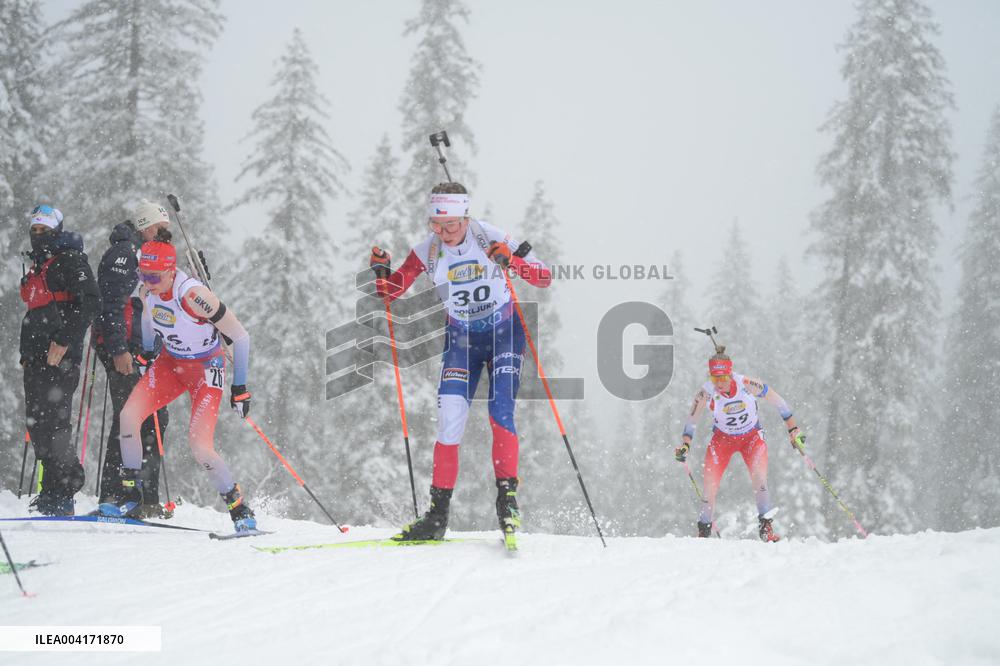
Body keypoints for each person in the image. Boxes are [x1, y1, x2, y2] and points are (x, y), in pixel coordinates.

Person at [369, 182, 552, 543]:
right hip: (462, 342)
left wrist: (510, 260)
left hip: (504, 334)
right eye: (436, 225)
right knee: (449, 422)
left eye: (451, 225)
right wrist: (380, 271)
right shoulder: (427, 251)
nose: (443, 233)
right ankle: (437, 517)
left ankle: (507, 503)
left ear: (466, 217)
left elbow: (543, 277)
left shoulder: (491, 237)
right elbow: (391, 292)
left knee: (501, 412)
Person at [97, 240, 256, 533]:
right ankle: (131, 496)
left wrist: (240, 387)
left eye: (154, 277)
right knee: (128, 417)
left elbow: (240, 337)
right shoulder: (148, 289)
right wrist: (146, 350)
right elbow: (148, 315)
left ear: (172, 271)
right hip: (171, 364)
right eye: (143, 275)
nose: (147, 282)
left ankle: (239, 508)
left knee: (200, 446)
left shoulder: (194, 295)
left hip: (207, 371)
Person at [674, 346, 803, 542]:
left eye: (724, 378)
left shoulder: (747, 383)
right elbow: (691, 421)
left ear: (730, 374)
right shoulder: (705, 392)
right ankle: (703, 532)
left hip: (751, 438)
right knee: (710, 485)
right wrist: (685, 445)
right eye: (715, 378)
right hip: (722, 440)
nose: (720, 383)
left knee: (759, 478)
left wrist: (793, 429)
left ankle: (766, 529)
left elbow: (779, 402)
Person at [20, 205, 100, 515]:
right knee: (38, 424)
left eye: (45, 230)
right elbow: (35, 311)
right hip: (35, 357)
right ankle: (51, 489)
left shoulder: (69, 260)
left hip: (60, 356)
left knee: (54, 424)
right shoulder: (38, 265)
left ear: (57, 231)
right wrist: (27, 355)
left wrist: (64, 340)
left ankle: (64, 487)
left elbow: (91, 302)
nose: (38, 235)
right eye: (35, 230)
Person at [94, 201, 172, 516]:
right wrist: (118, 349)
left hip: (143, 349)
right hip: (123, 348)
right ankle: (116, 495)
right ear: (145, 228)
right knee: (132, 415)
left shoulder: (151, 257)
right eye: (160, 230)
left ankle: (143, 494)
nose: (166, 236)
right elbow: (110, 304)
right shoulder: (125, 254)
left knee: (153, 416)